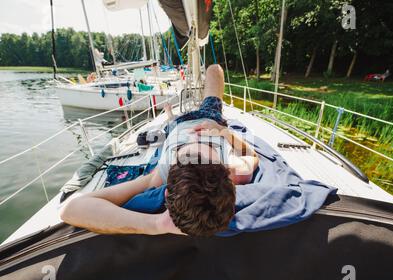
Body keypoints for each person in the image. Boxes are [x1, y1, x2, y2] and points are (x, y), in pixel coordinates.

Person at [60, 64, 259, 236]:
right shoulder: (236, 172)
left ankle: (170, 116)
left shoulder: (159, 175)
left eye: (188, 154)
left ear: (165, 192)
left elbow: (70, 209)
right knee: (214, 70)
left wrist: (157, 225)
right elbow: (252, 156)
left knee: (170, 124)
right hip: (211, 118)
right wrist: (223, 132)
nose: (195, 142)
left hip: (176, 127)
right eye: (204, 152)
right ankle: (170, 116)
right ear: (226, 173)